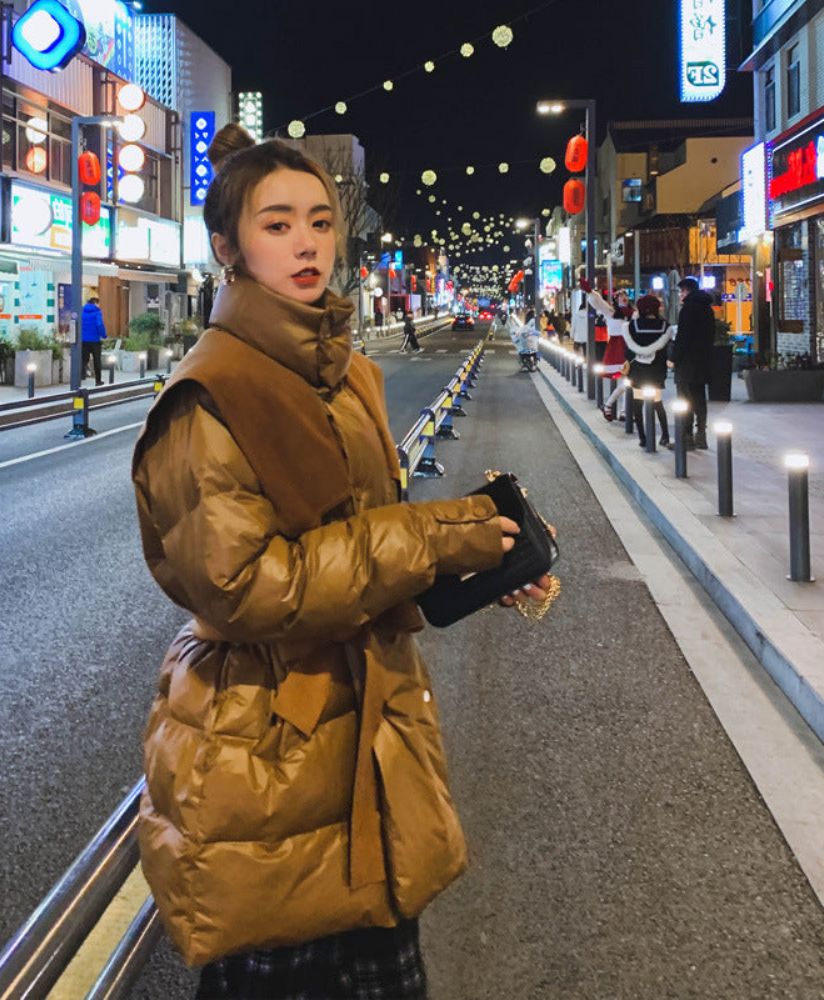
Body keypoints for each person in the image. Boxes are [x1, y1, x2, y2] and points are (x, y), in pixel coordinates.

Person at [131, 128, 553, 999]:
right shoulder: (207, 400)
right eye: (277, 223)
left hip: (372, 736)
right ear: (228, 247)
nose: (307, 242)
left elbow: (369, 539)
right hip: (266, 763)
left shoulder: (350, 378)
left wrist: (479, 558)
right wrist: (434, 539)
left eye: (320, 222)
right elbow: (248, 586)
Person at [623, 294, 674, 448]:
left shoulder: (632, 326)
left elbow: (628, 352)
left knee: (638, 404)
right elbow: (668, 348)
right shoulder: (665, 326)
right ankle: (665, 435)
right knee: (658, 404)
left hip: (638, 370)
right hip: (657, 371)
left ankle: (643, 438)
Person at [673, 276, 715, 449]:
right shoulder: (707, 309)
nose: (680, 295)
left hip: (687, 362)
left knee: (684, 399)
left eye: (681, 291)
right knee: (699, 397)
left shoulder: (688, 309)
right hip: (703, 359)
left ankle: (686, 437)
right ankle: (701, 435)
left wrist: (673, 357)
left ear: (686, 290)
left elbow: (683, 337)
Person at [582, 281, 632, 421]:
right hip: (617, 348)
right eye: (620, 295)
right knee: (626, 381)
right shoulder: (610, 312)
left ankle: (621, 410)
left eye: (625, 295)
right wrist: (590, 292)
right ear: (616, 298)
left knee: (627, 382)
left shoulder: (633, 313)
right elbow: (598, 302)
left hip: (630, 348)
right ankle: (610, 405)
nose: (624, 297)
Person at [80, 296, 107, 386]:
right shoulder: (97, 312)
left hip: (83, 340)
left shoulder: (81, 311)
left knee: (84, 359)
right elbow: (99, 325)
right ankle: (98, 381)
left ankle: (81, 376)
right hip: (95, 340)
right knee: (97, 361)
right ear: (95, 303)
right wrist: (104, 335)